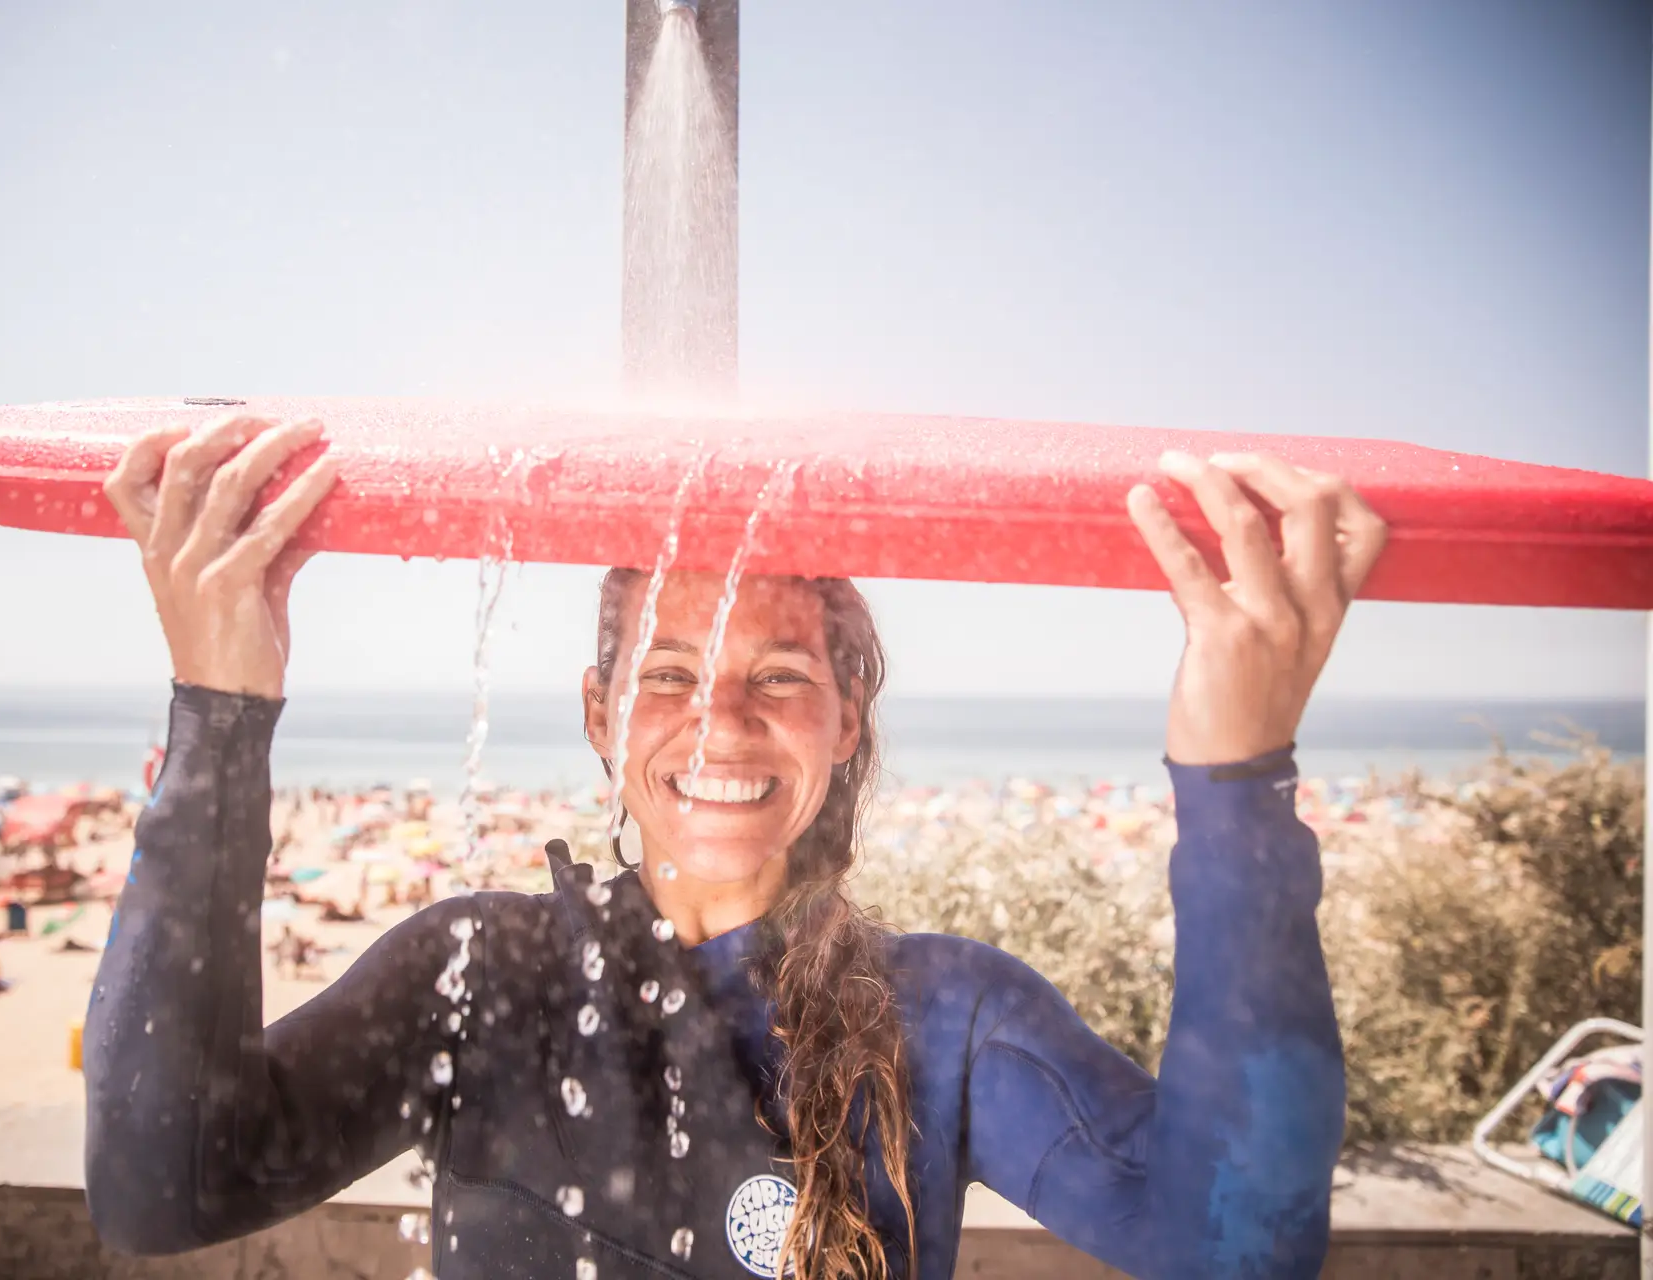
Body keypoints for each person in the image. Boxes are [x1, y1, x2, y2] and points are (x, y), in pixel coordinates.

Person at [83, 414, 1388, 1280]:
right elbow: (163, 1186)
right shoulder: (476, 974)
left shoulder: (941, 1019)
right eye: (666, 675)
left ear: (842, 721)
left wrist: (1237, 771)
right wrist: (220, 712)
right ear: (600, 718)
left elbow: (1236, 1248)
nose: (721, 720)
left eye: (778, 673)